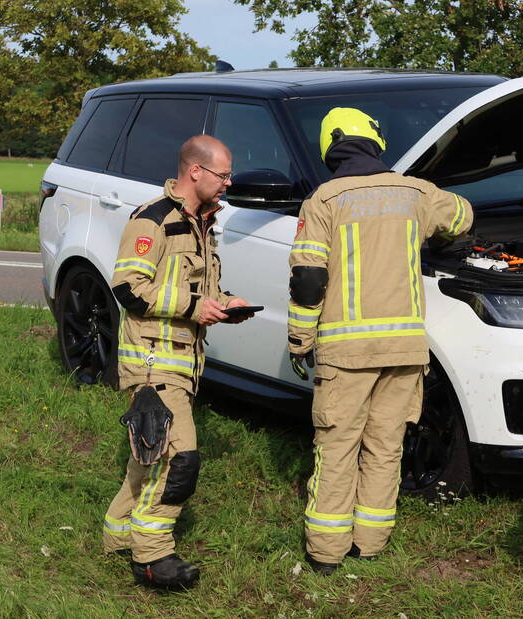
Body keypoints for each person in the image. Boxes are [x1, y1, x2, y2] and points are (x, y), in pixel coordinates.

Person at [287, 107, 473, 575]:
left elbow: (308, 279)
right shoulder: (416, 193)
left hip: (346, 353)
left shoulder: (324, 200)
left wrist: (299, 339)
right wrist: (440, 238)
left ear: (331, 148)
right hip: (404, 350)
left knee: (337, 447)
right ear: (375, 143)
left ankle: (326, 552)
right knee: (386, 445)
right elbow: (463, 216)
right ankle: (370, 543)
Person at [102, 135, 254, 588]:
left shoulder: (201, 223)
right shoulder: (153, 219)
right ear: (195, 171)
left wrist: (224, 302)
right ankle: (152, 557)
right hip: (153, 362)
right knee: (179, 460)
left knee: (150, 456)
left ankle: (118, 537)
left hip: (184, 363)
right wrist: (194, 307)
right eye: (224, 174)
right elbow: (128, 288)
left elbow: (195, 289)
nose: (229, 182)